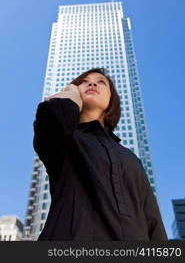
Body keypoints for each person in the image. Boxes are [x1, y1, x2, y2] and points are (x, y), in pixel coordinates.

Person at [33, 67, 168, 241]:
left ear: (111, 99)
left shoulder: (132, 158)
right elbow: (49, 123)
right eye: (83, 82)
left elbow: (153, 221)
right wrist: (71, 92)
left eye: (101, 82)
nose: (92, 83)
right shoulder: (65, 138)